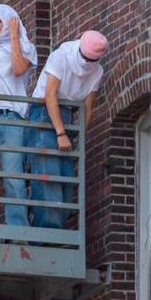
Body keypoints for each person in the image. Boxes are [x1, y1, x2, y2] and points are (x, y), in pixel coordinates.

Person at [28, 31, 107, 229]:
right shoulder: (61, 56)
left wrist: (79, 137)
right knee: (48, 174)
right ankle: (46, 233)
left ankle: (57, 231)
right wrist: (61, 133)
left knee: (65, 176)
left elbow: (88, 108)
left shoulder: (97, 71)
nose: (87, 62)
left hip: (67, 115)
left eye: (91, 59)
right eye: (85, 57)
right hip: (45, 112)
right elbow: (50, 95)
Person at [0, 4, 38, 231]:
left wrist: (14, 37)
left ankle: (17, 229)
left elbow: (18, 69)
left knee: (13, 176)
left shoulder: (25, 46)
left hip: (11, 117)